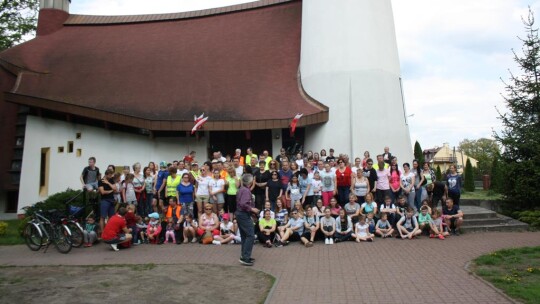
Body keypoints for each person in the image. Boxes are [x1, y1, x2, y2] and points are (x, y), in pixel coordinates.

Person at [236, 174, 259, 266]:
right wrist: (252, 209)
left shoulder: (241, 189)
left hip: (240, 214)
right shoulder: (246, 191)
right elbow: (243, 204)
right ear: (250, 182)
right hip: (243, 214)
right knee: (250, 235)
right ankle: (245, 257)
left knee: (244, 236)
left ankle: (244, 256)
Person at [98, 169, 117, 234]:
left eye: (112, 175)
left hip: (111, 200)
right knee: (103, 216)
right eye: (110, 175)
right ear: (106, 175)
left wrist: (108, 183)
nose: (111, 176)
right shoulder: (100, 181)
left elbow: (115, 189)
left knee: (111, 217)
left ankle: (109, 231)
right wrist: (111, 191)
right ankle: (102, 232)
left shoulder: (111, 180)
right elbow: (102, 192)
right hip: (104, 200)